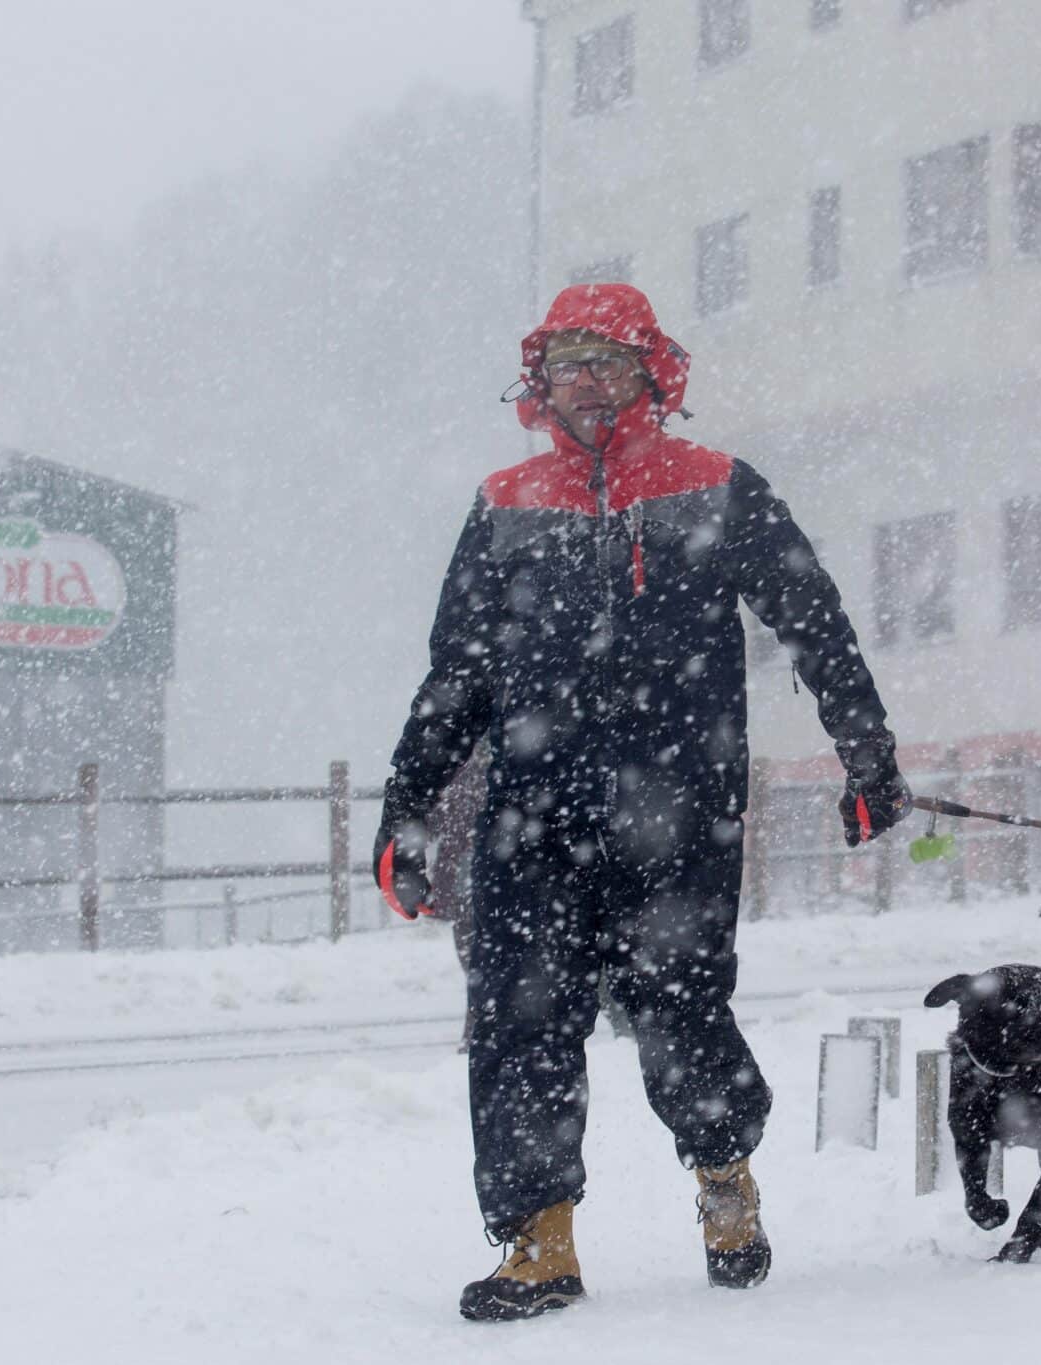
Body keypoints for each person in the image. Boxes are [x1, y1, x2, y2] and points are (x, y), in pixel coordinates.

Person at [373, 282, 912, 1323]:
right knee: (516, 1019)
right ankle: (538, 1241)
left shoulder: (715, 487)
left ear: (651, 375)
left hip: (678, 810)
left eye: (607, 362)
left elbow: (815, 623)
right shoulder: (505, 502)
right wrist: (407, 812)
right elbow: (455, 675)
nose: (586, 384)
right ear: (540, 379)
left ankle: (720, 1170)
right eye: (566, 363)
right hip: (529, 815)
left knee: (678, 1013)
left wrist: (867, 759)